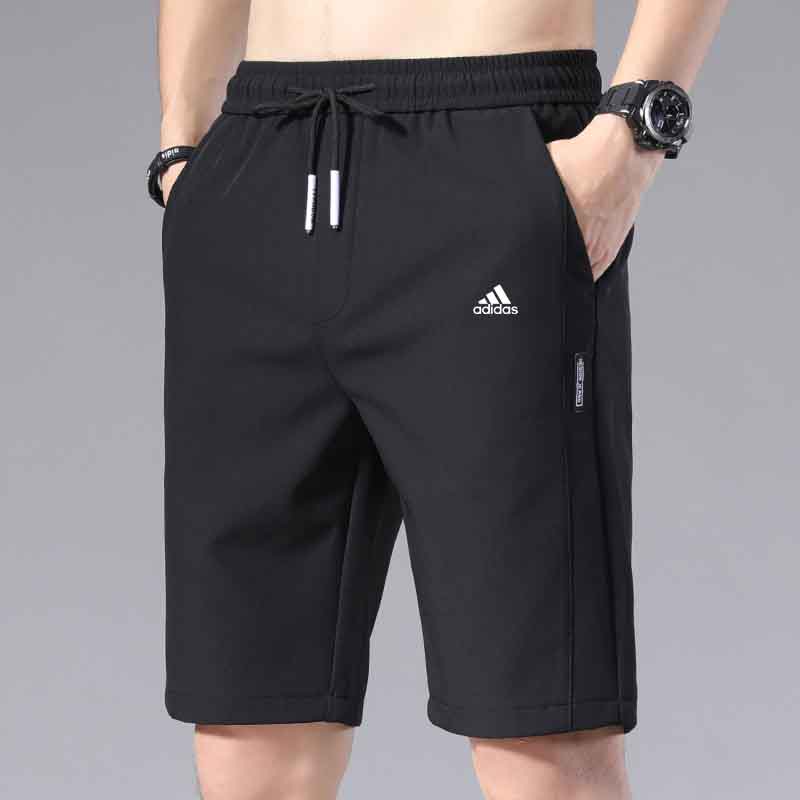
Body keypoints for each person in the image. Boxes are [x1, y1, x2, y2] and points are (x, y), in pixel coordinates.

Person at [148, 1, 727, 797]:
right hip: (262, 155)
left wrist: (630, 135)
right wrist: (181, 144)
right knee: (248, 738)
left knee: (542, 736)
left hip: (491, 138)